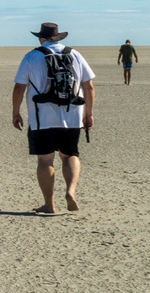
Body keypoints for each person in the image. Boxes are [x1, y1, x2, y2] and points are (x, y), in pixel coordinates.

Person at [12, 22, 95, 215]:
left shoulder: (32, 56)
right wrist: (89, 113)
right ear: (58, 38)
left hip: (42, 117)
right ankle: (70, 191)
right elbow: (89, 86)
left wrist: (16, 112)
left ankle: (49, 205)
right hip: (72, 114)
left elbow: (19, 88)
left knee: (45, 161)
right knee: (70, 155)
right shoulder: (74, 54)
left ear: (41, 38)